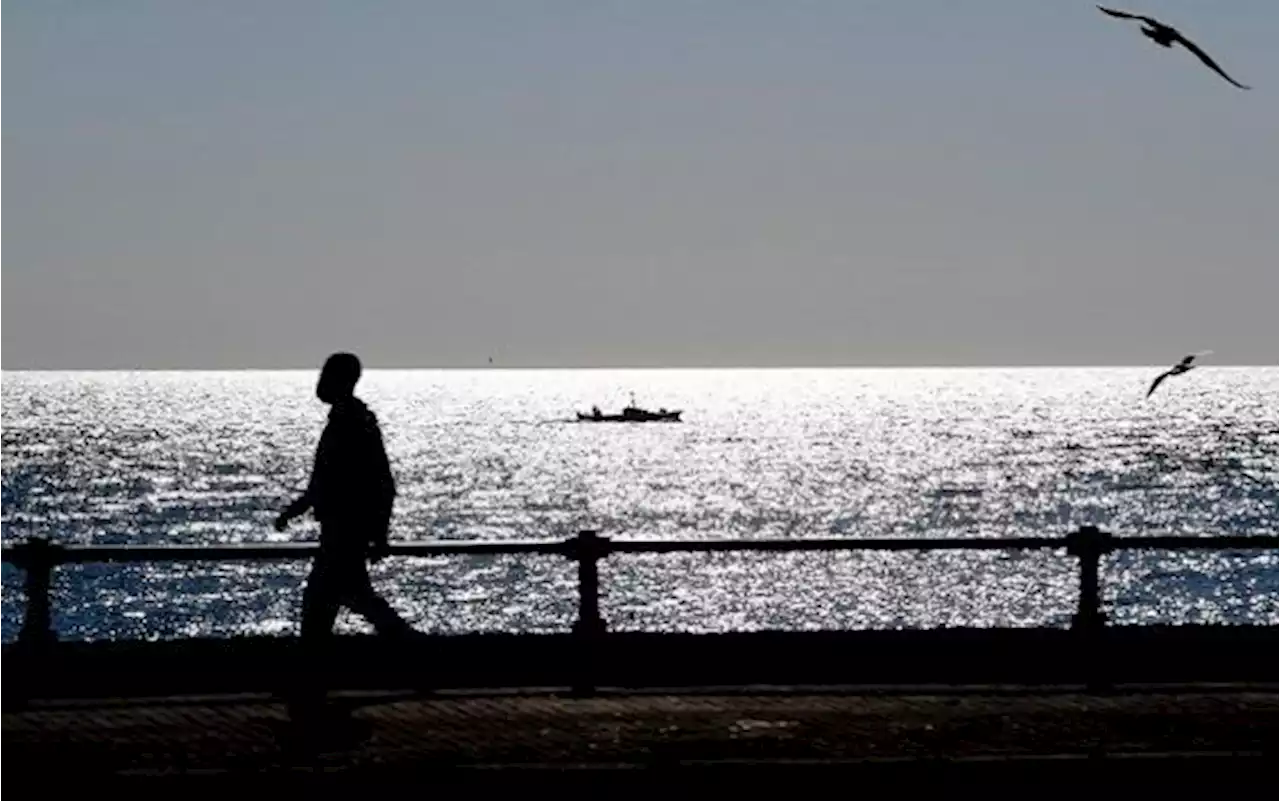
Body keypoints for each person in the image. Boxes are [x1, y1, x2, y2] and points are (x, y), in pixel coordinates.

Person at [275, 352, 418, 646]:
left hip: (345, 534)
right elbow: (324, 483)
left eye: (327, 375)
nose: (320, 382)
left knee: (331, 603)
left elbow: (380, 482)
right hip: (339, 533)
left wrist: (379, 533)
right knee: (339, 602)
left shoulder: (354, 423)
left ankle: (421, 654)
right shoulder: (346, 421)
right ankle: (310, 678)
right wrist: (296, 510)